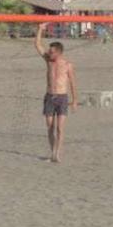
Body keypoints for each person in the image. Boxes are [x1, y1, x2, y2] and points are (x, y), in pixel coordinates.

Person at [35, 23, 77, 163]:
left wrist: (75, 100)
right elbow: (38, 45)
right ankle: (52, 151)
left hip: (62, 97)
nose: (50, 53)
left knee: (59, 128)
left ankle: (56, 154)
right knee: (50, 127)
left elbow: (72, 83)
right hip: (49, 96)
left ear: (59, 52)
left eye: (52, 52)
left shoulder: (67, 65)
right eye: (49, 51)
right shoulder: (48, 60)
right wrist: (40, 29)